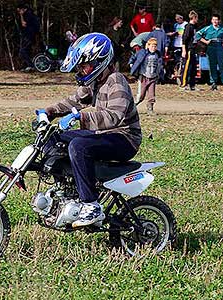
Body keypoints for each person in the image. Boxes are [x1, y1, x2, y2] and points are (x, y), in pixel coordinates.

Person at [38, 33, 141, 227]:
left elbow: (115, 116)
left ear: (100, 61)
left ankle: (91, 204)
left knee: (79, 146)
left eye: (84, 66)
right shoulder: (94, 82)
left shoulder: (116, 80)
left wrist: (81, 116)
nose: (81, 70)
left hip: (124, 138)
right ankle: (65, 191)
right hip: (104, 134)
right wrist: (50, 111)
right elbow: (74, 100)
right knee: (55, 138)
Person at [196, 14, 223, 91]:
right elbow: (197, 35)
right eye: (213, 19)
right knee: (212, 66)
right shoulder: (207, 28)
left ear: (219, 21)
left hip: (220, 48)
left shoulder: (222, 29)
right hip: (211, 48)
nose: (215, 21)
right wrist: (206, 42)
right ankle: (213, 83)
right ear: (211, 20)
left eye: (216, 20)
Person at [129, 38, 164, 115]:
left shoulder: (157, 54)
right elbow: (134, 57)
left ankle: (150, 109)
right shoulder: (142, 53)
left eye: (155, 46)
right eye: (152, 46)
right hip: (143, 77)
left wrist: (160, 73)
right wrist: (131, 64)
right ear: (148, 46)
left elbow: (160, 65)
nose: (153, 48)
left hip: (153, 77)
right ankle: (131, 108)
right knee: (141, 95)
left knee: (152, 95)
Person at [17, 3, 40, 72]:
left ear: (22, 9)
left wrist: (21, 15)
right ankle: (27, 66)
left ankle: (30, 65)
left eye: (19, 11)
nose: (18, 13)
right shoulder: (30, 13)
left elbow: (23, 24)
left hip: (29, 35)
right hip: (29, 35)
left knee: (23, 51)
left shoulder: (28, 14)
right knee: (27, 51)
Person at [181, 10, 199, 90]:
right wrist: (184, 50)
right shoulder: (188, 27)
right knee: (187, 67)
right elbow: (184, 39)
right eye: (196, 18)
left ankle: (192, 84)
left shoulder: (194, 27)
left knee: (193, 68)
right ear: (194, 18)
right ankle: (184, 83)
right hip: (188, 49)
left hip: (193, 49)